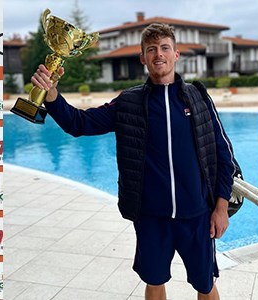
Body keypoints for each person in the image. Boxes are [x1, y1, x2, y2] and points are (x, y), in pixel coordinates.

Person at [30, 23, 235, 300]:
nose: (158, 54)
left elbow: (224, 153)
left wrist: (221, 206)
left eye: (164, 48)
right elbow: (80, 123)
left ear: (176, 54)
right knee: (154, 280)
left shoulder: (198, 98)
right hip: (151, 216)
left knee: (205, 284)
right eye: (151, 49)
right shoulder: (129, 103)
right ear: (143, 58)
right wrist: (52, 96)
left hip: (197, 214)